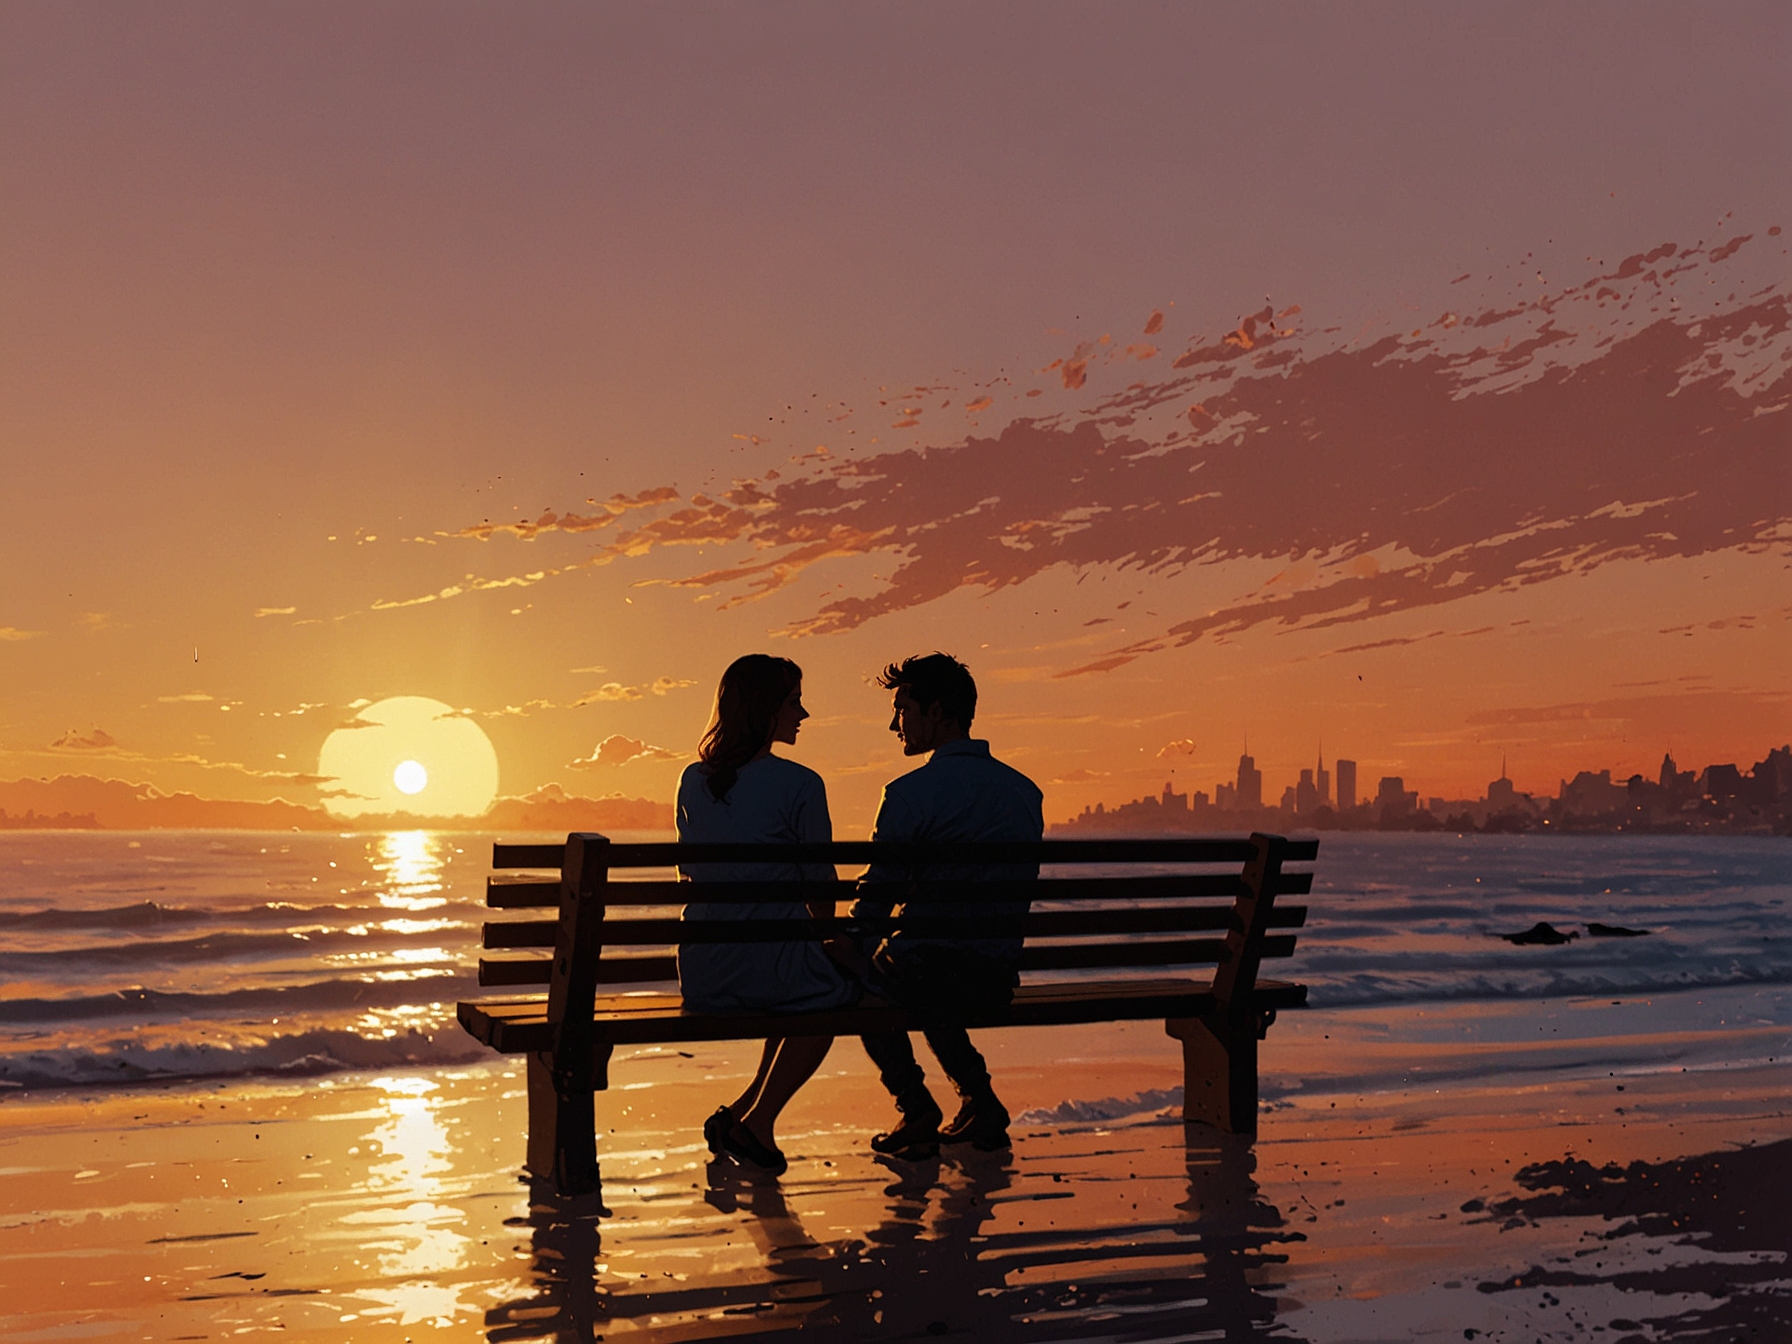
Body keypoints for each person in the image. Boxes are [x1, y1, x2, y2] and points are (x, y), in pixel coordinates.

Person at [850, 652, 1044, 1159]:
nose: (895, 724)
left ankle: (916, 1109)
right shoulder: (1026, 792)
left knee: (866, 983)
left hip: (930, 973)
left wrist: (849, 947)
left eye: (904, 709)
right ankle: (977, 1100)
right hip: (994, 976)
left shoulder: (909, 793)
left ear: (937, 712)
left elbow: (877, 897)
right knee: (926, 969)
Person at [677, 654, 856, 1176]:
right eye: (794, 702)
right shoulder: (800, 784)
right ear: (766, 710)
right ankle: (759, 1121)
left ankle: (744, 1113)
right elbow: (821, 883)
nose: (803, 714)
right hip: (771, 968)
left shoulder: (693, 780)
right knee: (829, 999)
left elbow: (692, 869)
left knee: (802, 981)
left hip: (705, 973)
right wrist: (829, 937)